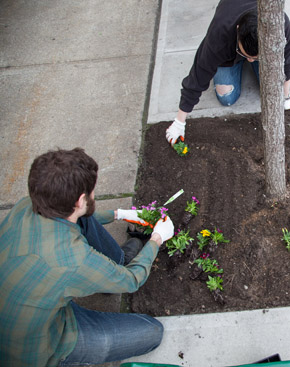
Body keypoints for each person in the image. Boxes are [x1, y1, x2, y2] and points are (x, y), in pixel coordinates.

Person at [0, 148, 174, 366]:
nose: (94, 194)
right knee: (151, 332)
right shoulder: (73, 259)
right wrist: (157, 238)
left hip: (30, 301)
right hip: (40, 345)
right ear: (80, 200)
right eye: (92, 192)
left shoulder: (25, 206)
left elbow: (82, 216)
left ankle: (112, 266)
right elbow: (131, 280)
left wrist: (119, 214)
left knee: (81, 219)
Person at [166, 0, 290, 145]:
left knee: (272, 89)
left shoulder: (280, 26)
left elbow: (287, 62)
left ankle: (251, 54)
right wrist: (179, 122)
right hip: (228, 52)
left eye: (254, 58)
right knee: (227, 97)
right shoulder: (219, 34)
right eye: (245, 54)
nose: (250, 60)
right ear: (238, 30)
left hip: (261, 51)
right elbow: (199, 73)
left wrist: (284, 97)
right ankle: (239, 58)